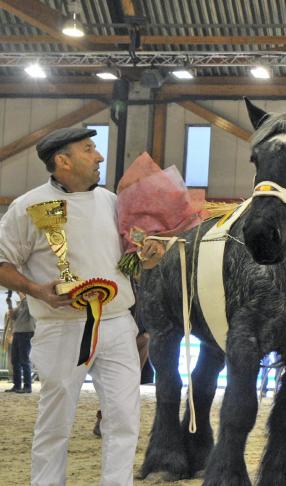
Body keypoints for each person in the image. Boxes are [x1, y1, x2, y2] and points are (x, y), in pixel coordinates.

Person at [0, 127, 158, 485]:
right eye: (89, 149)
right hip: (60, 326)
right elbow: (2, 262)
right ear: (63, 160)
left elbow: (129, 262)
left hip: (117, 323)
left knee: (124, 418)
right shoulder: (27, 206)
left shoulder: (112, 202)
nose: (99, 156)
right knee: (55, 421)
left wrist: (146, 257)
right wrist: (35, 289)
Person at [4, 292, 36, 393]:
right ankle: (17, 385)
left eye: (20, 292)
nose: (18, 293)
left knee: (24, 360)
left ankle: (27, 386)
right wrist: (9, 306)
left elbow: (31, 311)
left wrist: (25, 297)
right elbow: (14, 317)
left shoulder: (30, 303)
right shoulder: (21, 304)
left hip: (26, 333)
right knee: (15, 360)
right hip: (17, 333)